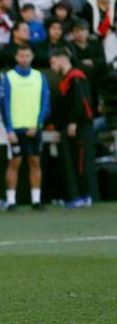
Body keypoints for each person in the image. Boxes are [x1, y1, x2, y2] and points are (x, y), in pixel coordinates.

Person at [2, 45, 50, 211]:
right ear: (16, 57)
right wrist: (9, 129)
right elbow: (5, 104)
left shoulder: (39, 76)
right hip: (16, 129)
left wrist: (37, 124)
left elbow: (45, 103)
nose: (24, 58)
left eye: (27, 55)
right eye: (21, 55)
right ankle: (10, 201)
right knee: (15, 162)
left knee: (35, 161)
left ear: (32, 57)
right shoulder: (9, 77)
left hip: (34, 128)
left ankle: (36, 200)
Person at [49, 51, 99, 208]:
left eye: (53, 63)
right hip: (73, 127)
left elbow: (81, 102)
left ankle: (87, 196)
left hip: (81, 126)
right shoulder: (67, 79)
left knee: (82, 161)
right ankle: (77, 196)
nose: (52, 68)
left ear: (61, 60)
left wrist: (74, 122)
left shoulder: (76, 77)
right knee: (74, 161)